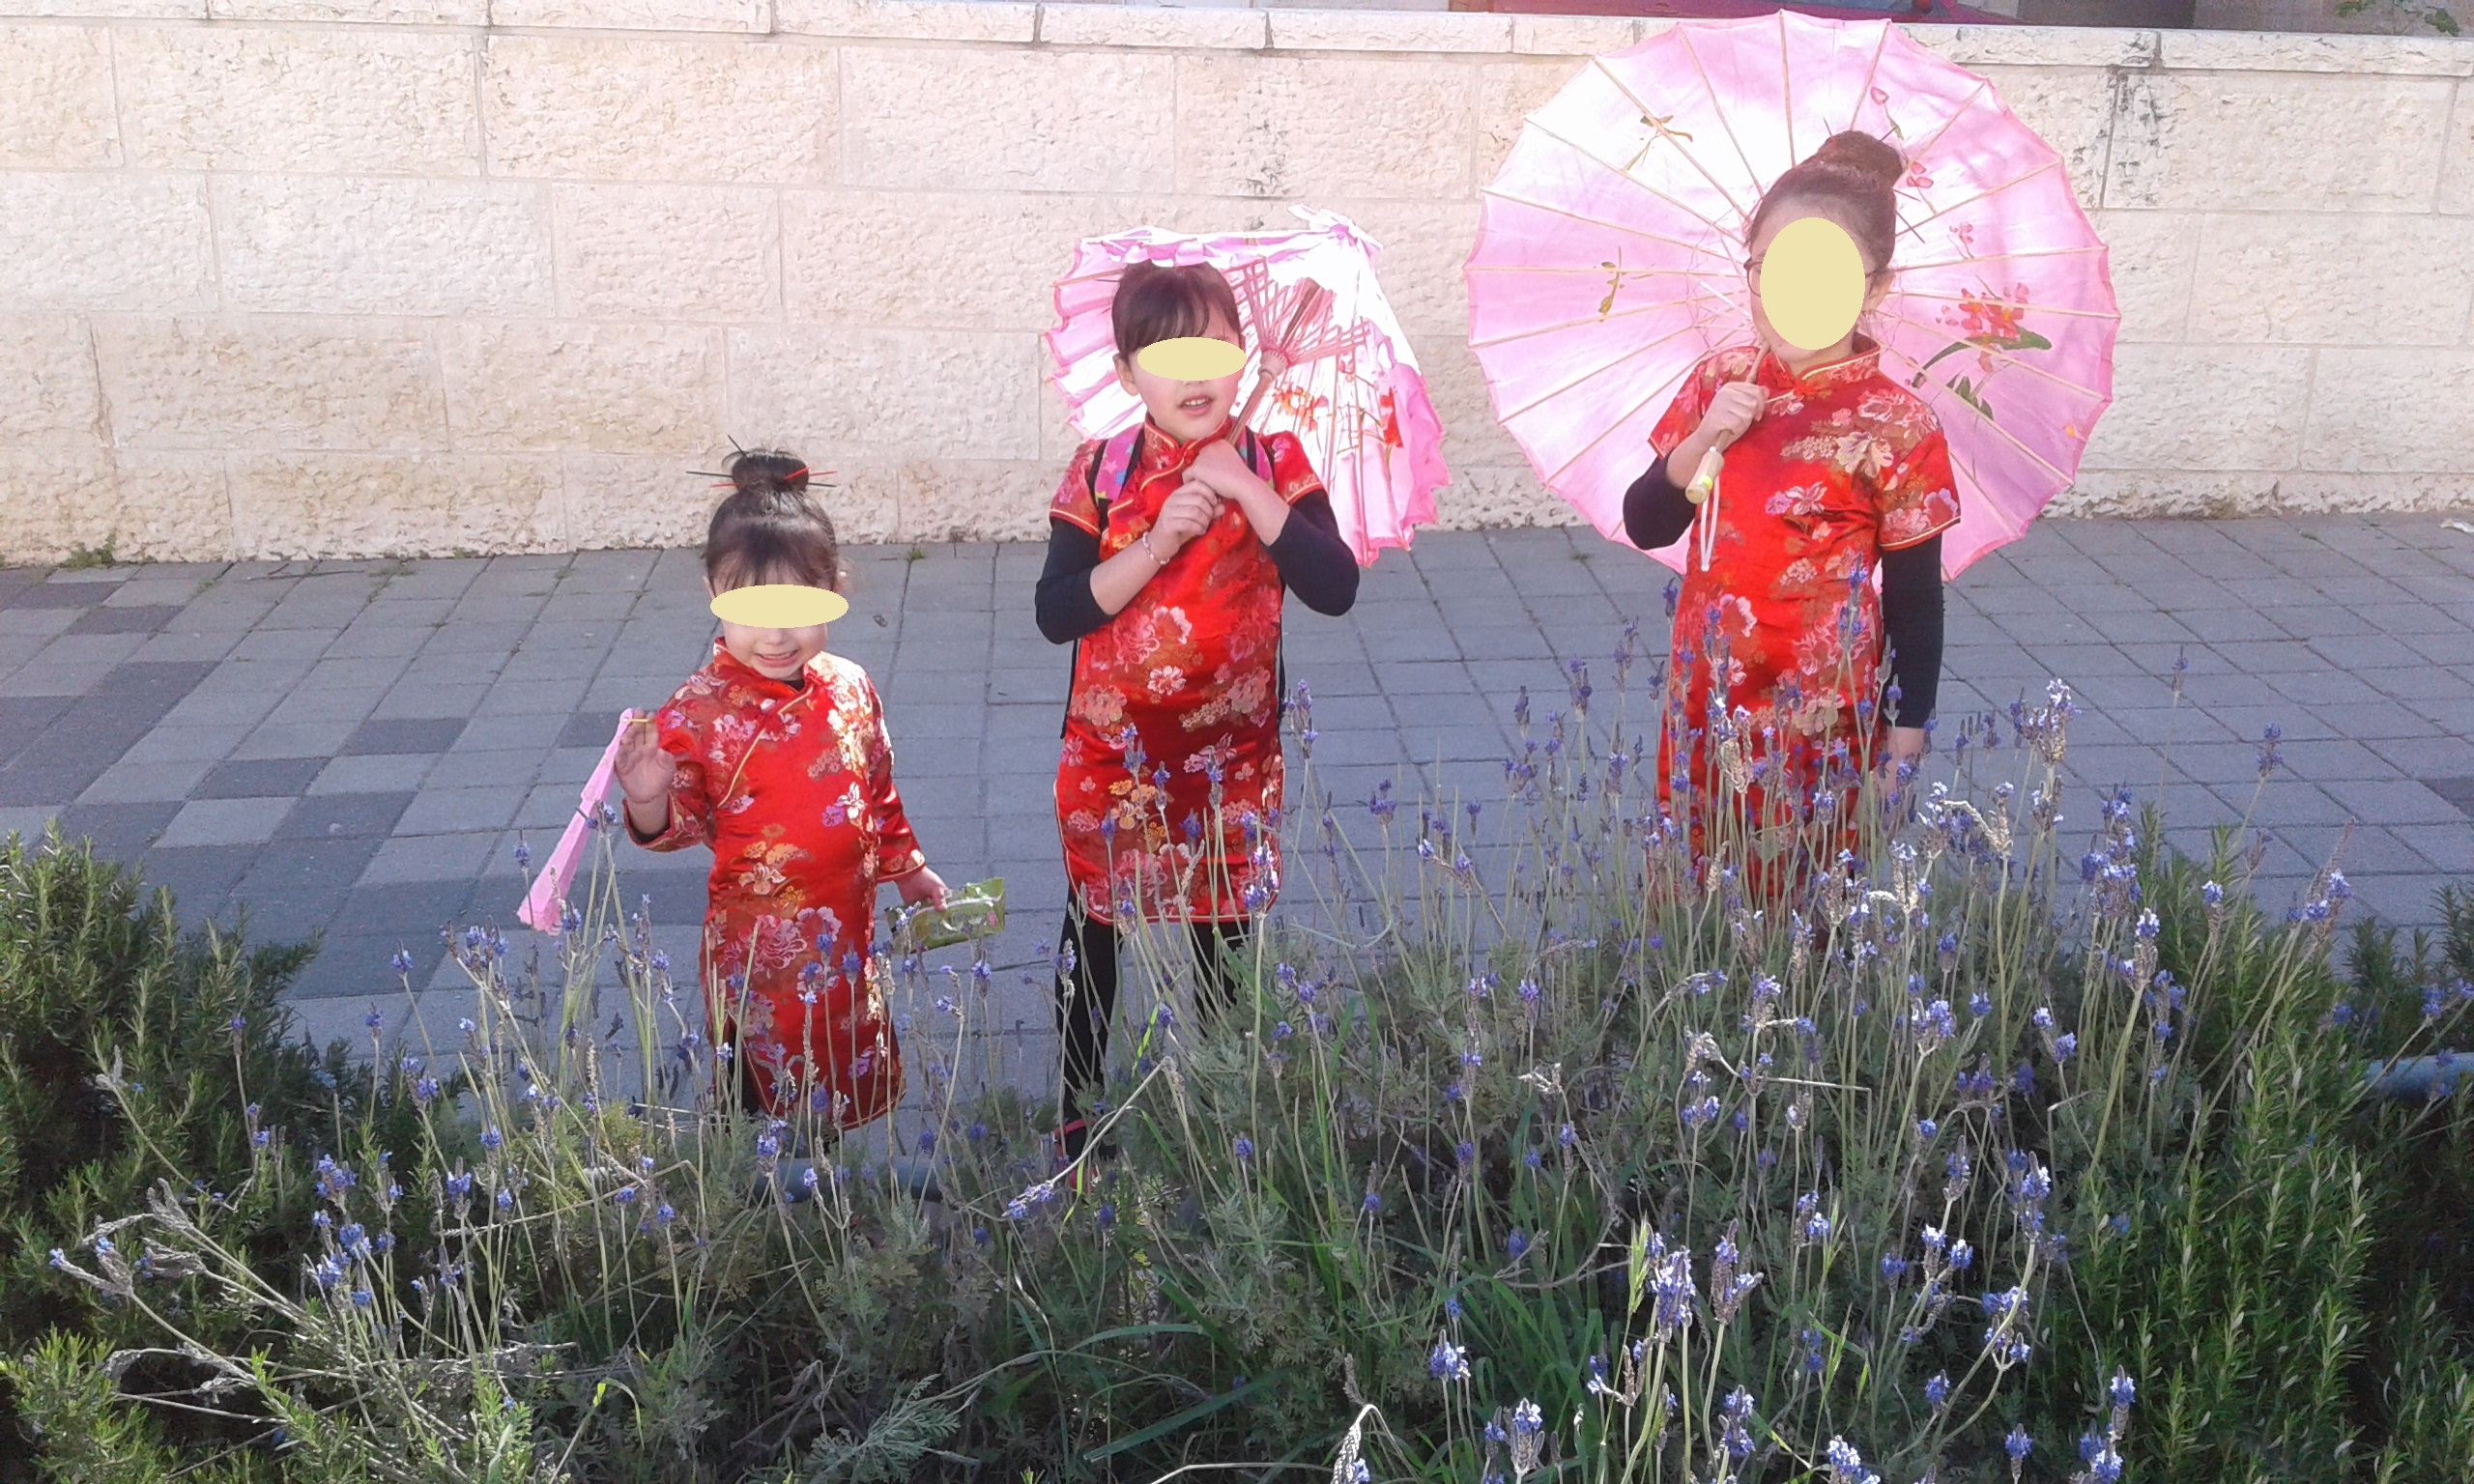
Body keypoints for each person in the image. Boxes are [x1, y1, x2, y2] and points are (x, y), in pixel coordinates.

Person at [1034, 260, 1360, 1168]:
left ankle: (1222, 1111)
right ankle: (1077, 1116)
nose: (1194, 374)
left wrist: (1250, 493)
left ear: (1242, 357)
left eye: (1214, 349)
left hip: (1231, 763)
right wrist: (1156, 541)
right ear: (1127, 371)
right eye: (1167, 355)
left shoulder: (1276, 461)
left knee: (1225, 938)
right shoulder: (1102, 471)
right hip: (1115, 760)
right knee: (1095, 935)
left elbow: (1335, 586)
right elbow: (1057, 611)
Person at [1623, 130, 1959, 884]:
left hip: (1823, 711)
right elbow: (1648, 522)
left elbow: (1915, 598)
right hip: (1708, 692)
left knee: (1805, 897)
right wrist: (1704, 438)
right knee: (1695, 892)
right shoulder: (1720, 381)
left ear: (1874, 288)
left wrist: (1906, 729)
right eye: (1772, 269)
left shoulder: (1898, 425)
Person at [616, 451, 946, 1130]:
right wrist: (648, 799)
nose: (775, 635)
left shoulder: (850, 686)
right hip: (757, 952)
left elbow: (876, 787)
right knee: (757, 1096)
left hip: (844, 933)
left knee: (835, 1075)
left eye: (797, 608)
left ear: (835, 587)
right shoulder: (700, 711)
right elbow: (679, 823)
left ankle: (829, 1183)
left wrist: (908, 870)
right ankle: (752, 1187)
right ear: (713, 593)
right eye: (751, 610)